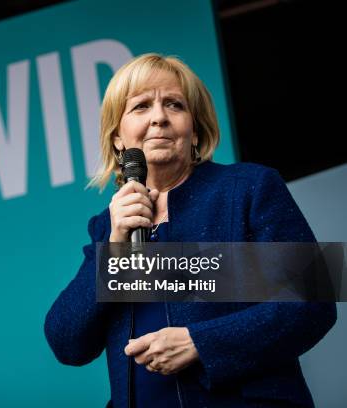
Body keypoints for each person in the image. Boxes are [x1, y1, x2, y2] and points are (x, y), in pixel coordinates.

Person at [44, 53, 336, 408]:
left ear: (194, 128)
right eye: (140, 107)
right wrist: (113, 249)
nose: (159, 118)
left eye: (173, 104)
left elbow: (313, 303)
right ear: (118, 138)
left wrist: (200, 342)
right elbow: (66, 343)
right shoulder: (108, 226)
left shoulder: (249, 188)